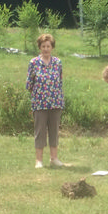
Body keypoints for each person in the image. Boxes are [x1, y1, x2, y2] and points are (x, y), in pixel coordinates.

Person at [27, 33, 65, 168]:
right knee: (40, 131)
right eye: (43, 46)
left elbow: (60, 81)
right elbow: (29, 84)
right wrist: (39, 95)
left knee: (54, 131)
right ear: (40, 47)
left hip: (55, 102)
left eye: (48, 46)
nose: (46, 49)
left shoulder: (58, 62)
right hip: (39, 103)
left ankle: (54, 158)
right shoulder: (33, 63)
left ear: (52, 47)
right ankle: (39, 160)